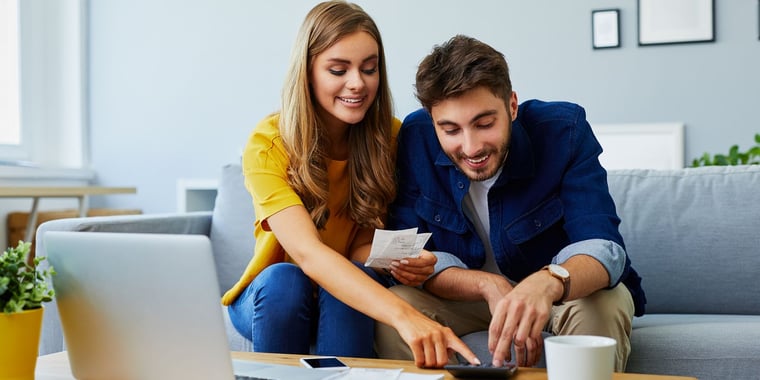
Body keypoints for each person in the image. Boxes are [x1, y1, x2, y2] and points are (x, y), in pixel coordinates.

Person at [222, 1, 478, 367]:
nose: (357, 83)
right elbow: (309, 253)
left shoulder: (390, 137)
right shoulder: (269, 143)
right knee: (285, 280)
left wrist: (397, 261)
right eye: (338, 70)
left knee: (351, 278)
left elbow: (359, 247)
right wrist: (405, 316)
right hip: (275, 296)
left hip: (342, 294)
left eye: (369, 69)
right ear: (308, 72)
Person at [376, 35, 646, 372]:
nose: (471, 147)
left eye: (484, 124)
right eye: (450, 130)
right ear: (433, 122)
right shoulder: (416, 138)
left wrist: (548, 282)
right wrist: (486, 284)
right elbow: (411, 258)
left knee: (603, 305)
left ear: (512, 106)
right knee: (396, 309)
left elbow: (604, 246)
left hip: (560, 294)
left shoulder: (565, 130)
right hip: (469, 299)